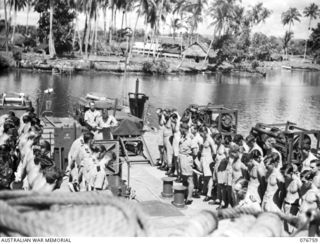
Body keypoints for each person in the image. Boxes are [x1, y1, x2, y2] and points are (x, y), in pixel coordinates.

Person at [178, 123, 198, 205]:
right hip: (182, 160)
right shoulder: (183, 137)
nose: (179, 130)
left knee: (189, 179)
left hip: (187, 159)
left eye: (180, 128)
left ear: (184, 129)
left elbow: (195, 152)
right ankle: (185, 194)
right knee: (184, 178)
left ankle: (189, 198)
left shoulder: (191, 139)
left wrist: (188, 155)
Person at [282, 164, 301, 234]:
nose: (284, 177)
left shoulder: (297, 181)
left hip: (294, 207)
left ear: (291, 173)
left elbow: (303, 195)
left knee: (291, 231)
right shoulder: (286, 179)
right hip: (285, 205)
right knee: (284, 230)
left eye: (285, 175)